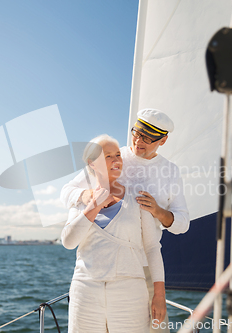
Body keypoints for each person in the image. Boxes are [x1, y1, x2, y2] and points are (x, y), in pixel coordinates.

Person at [61, 109, 190, 332]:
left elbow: (182, 223)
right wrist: (89, 197)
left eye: (148, 138)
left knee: (155, 328)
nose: (138, 142)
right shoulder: (112, 155)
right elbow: (67, 191)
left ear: (163, 140)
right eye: (136, 134)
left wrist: (158, 212)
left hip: (144, 268)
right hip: (96, 274)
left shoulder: (169, 171)